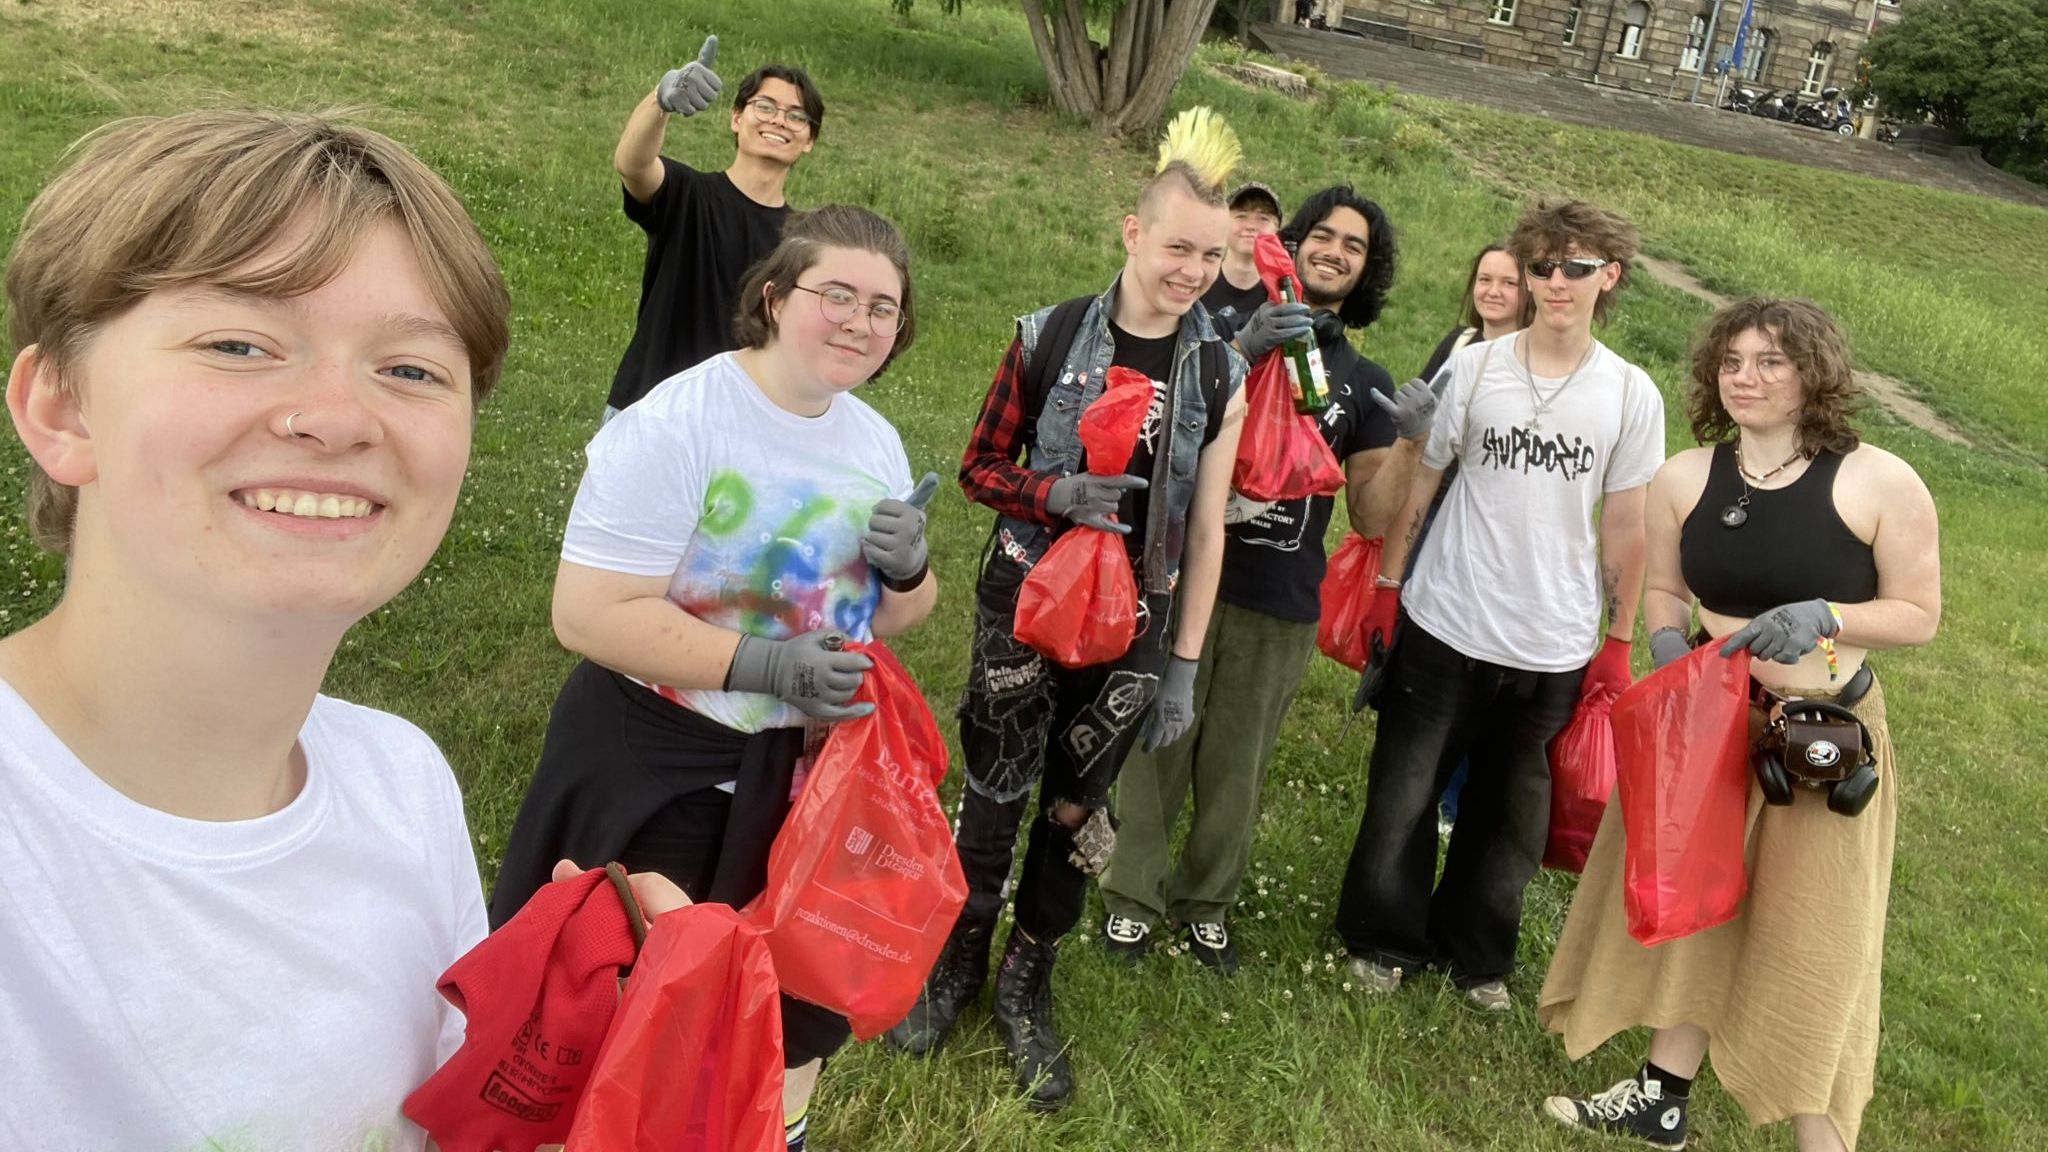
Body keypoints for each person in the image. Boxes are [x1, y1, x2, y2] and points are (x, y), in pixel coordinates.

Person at [0, 108, 524, 1151]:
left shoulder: (403, 784)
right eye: (239, 343)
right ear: (62, 410)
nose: (335, 417)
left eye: (411, 369)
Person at [490, 204, 935, 1152]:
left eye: (883, 309)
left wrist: (910, 573)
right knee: (630, 998)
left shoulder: (875, 445)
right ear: (774, 297)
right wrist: (766, 663)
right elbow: (588, 613)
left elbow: (890, 614)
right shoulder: (681, 421)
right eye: (837, 295)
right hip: (663, 767)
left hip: (803, 784)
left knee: (787, 1007)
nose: (860, 322)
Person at [884, 108, 1250, 1111]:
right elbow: (976, 467)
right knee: (994, 796)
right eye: (1177, 246)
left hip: (1134, 630)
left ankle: (1024, 981)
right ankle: (956, 966)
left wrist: (1181, 661)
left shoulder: (1220, 374)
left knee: (1076, 807)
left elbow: (1209, 527)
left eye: (1210, 257)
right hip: (1024, 603)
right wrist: (1051, 495)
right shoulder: (1044, 337)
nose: (1190, 271)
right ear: (1132, 233)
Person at [1540, 298, 1940, 1152]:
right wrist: (1660, 637)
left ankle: (1820, 1139)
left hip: (1820, 742)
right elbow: (1665, 589)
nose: (1745, 377)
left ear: (1814, 376)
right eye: (1732, 361)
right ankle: (1661, 1098)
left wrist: (1827, 614)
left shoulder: (1879, 480)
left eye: (1770, 362)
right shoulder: (1685, 477)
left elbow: (1918, 614)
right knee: (1694, 905)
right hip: (1710, 726)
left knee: (1814, 937)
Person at [1334, 199, 1666, 1013]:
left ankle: (1475, 958)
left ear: (1608, 279)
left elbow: (1625, 525)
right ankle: (1383, 939)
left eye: (1576, 268)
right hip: (1445, 616)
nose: (1556, 282)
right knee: (1404, 792)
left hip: (1552, 641)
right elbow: (1422, 487)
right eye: (1543, 267)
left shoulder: (1629, 394)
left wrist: (1616, 642)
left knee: (1511, 817)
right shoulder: (1476, 368)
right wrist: (1387, 587)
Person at [1097, 186, 1438, 973]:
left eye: (1353, 246)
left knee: (1238, 761)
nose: (1334, 252)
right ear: (1291, 245)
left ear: (1365, 271)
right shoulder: (1212, 329)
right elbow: (1156, 428)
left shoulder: (1360, 379)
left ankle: (1206, 902)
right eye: (1323, 236)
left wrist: (1414, 443)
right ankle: (1132, 895)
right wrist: (1242, 351)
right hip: (1183, 576)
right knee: (1156, 744)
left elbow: (1373, 516)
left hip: (1281, 599)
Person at [604, 35, 826, 419]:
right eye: (765, 106)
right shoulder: (688, 195)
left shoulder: (803, 243)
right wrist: (660, 99)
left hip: (740, 426)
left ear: (809, 139)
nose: (779, 120)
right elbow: (632, 164)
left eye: (796, 115)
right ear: (736, 118)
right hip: (650, 410)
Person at [1415, 242, 1533, 832]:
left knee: (1474, 665)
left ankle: (1456, 797)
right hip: (1432, 511)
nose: (1492, 291)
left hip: (1488, 524)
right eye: (1484, 278)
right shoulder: (1458, 344)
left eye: (1507, 282)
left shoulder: (1530, 362)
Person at [1200, 181, 1284, 341]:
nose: (1251, 226)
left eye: (1263, 218)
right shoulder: (1198, 278)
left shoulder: (1281, 294)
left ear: (1277, 229)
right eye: (1241, 216)